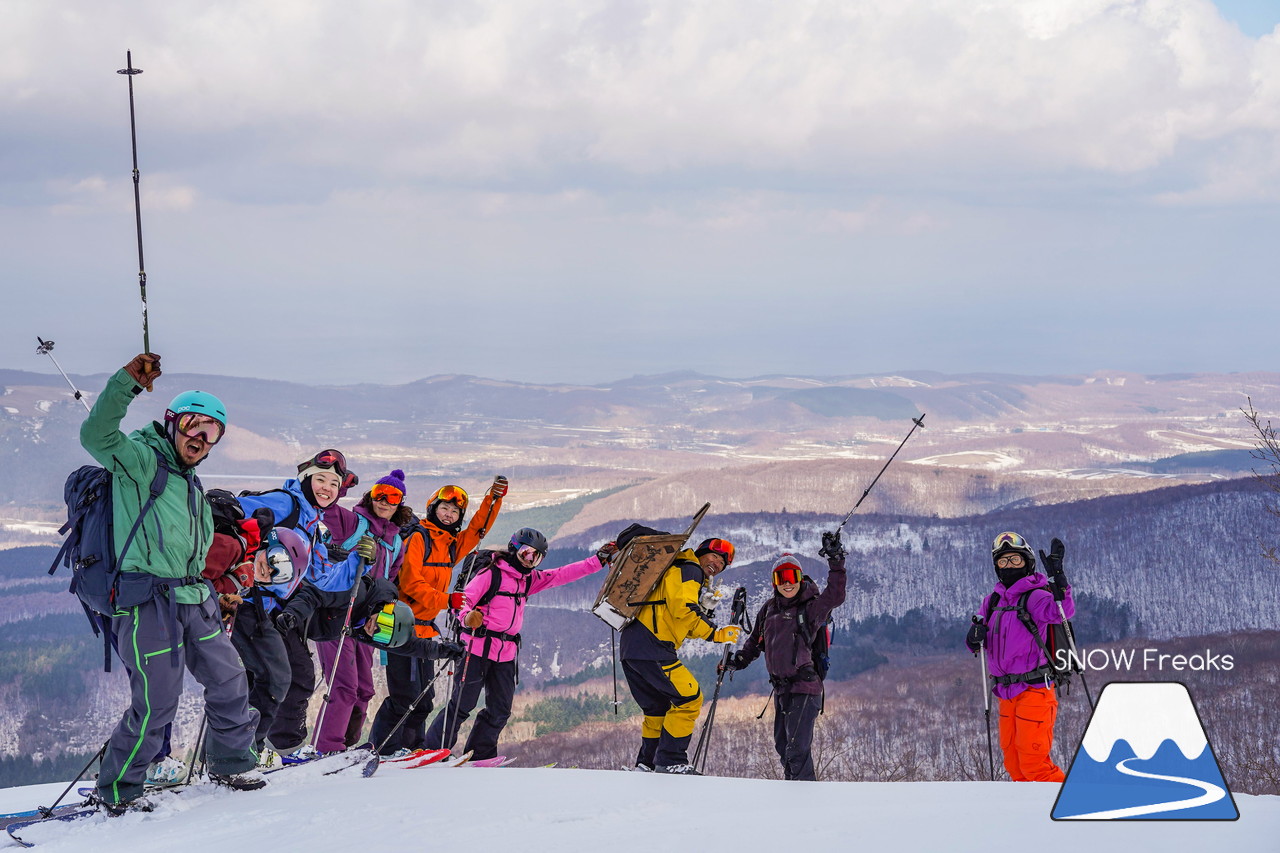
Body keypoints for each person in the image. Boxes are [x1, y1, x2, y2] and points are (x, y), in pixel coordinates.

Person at [80, 353, 262, 811]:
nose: (200, 438)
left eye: (212, 431)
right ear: (172, 423)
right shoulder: (141, 463)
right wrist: (127, 384)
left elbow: (195, 553)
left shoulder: (191, 483)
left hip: (193, 596)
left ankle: (232, 763)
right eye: (193, 425)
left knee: (230, 679)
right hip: (148, 602)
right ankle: (119, 790)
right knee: (158, 702)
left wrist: (215, 592)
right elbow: (96, 435)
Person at [422, 528, 614, 759]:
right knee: (463, 705)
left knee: (500, 710)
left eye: (537, 556)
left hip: (506, 653)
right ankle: (432, 750)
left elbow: (562, 574)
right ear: (514, 549)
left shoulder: (528, 580)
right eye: (526, 553)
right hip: (476, 647)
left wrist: (598, 561)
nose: (531, 560)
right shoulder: (490, 574)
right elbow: (462, 601)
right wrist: (467, 616)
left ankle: (479, 755)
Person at [234, 449, 368, 757]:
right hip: (247, 604)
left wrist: (359, 562)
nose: (326, 488)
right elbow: (235, 512)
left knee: (287, 676)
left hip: (274, 613)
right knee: (275, 678)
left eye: (334, 484)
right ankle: (251, 753)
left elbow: (324, 579)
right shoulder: (287, 504)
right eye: (320, 480)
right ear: (305, 480)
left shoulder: (314, 526)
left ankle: (269, 749)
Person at [369, 477, 506, 755]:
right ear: (433, 508)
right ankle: (381, 748)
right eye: (445, 508)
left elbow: (477, 530)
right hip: (399, 626)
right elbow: (410, 583)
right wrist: (447, 600)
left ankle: (413, 747)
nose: (449, 514)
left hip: (425, 629)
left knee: (424, 698)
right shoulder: (419, 537)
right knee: (404, 696)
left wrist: (494, 499)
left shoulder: (449, 544)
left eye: (455, 512)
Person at [724, 532, 847, 781]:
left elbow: (835, 596)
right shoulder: (768, 609)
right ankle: (794, 795)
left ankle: (802, 802)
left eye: (792, 576)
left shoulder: (811, 607)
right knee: (784, 749)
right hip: (781, 690)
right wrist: (738, 660)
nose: (787, 583)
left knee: (796, 750)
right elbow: (755, 642)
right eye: (781, 577)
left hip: (805, 687)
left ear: (800, 578)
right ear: (774, 582)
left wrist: (836, 561)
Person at [619, 535, 742, 774]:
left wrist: (702, 612)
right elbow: (683, 609)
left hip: (632, 646)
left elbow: (677, 616)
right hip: (652, 645)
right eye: (715, 556)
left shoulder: (676, 568)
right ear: (701, 552)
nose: (716, 564)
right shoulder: (690, 568)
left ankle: (647, 763)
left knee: (658, 709)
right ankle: (670, 760)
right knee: (689, 698)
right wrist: (716, 633)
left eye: (722, 564)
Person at [311, 469, 412, 753]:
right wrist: (338, 486)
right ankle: (326, 748)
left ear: (399, 504)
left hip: (367, 622)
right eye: (380, 494)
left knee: (364, 690)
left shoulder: (395, 542)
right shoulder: (353, 522)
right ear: (371, 496)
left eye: (393, 497)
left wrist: (381, 613)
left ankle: (346, 746)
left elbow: (390, 581)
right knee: (344, 687)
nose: (385, 501)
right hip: (335, 615)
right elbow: (325, 507)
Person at [966, 532, 1075, 783]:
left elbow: (1063, 612)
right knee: (1014, 765)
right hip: (1006, 692)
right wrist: (973, 637)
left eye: (1015, 560)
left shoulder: (1036, 595)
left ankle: (1072, 808)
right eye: (1003, 561)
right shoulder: (992, 601)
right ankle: (1032, 819)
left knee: (1034, 765)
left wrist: (1059, 582)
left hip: (1035, 689)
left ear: (1027, 561)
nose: (1009, 566)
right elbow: (976, 642)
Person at [226, 525, 310, 758]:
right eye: (275, 559)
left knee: (269, 681)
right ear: (263, 544)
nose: (269, 570)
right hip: (241, 615)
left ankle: (241, 753)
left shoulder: (255, 583)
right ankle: (238, 754)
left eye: (280, 573)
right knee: (270, 679)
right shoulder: (232, 550)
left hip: (252, 613)